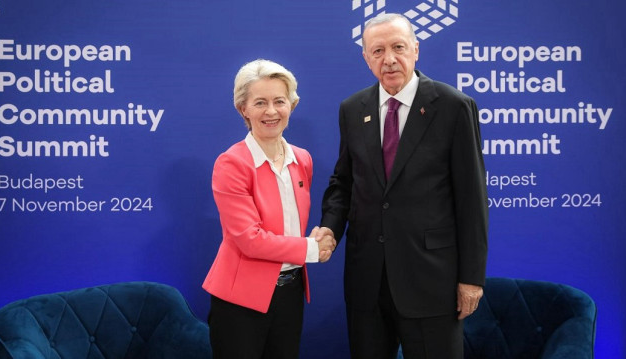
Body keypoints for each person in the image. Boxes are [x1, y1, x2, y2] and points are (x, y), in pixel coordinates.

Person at [316, 13, 489, 359]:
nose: (389, 59)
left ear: (416, 50)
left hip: (431, 281)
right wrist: (329, 229)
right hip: (367, 281)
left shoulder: (453, 106)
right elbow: (344, 182)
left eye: (398, 47)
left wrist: (472, 278)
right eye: (377, 51)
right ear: (366, 58)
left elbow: (472, 199)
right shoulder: (352, 109)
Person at [203, 59, 336, 359]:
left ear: (293, 104)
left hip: (290, 294)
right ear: (243, 109)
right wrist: (311, 249)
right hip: (241, 300)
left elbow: (289, 223)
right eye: (260, 102)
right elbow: (249, 240)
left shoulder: (302, 159)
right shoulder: (232, 163)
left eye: (280, 101)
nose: (271, 111)